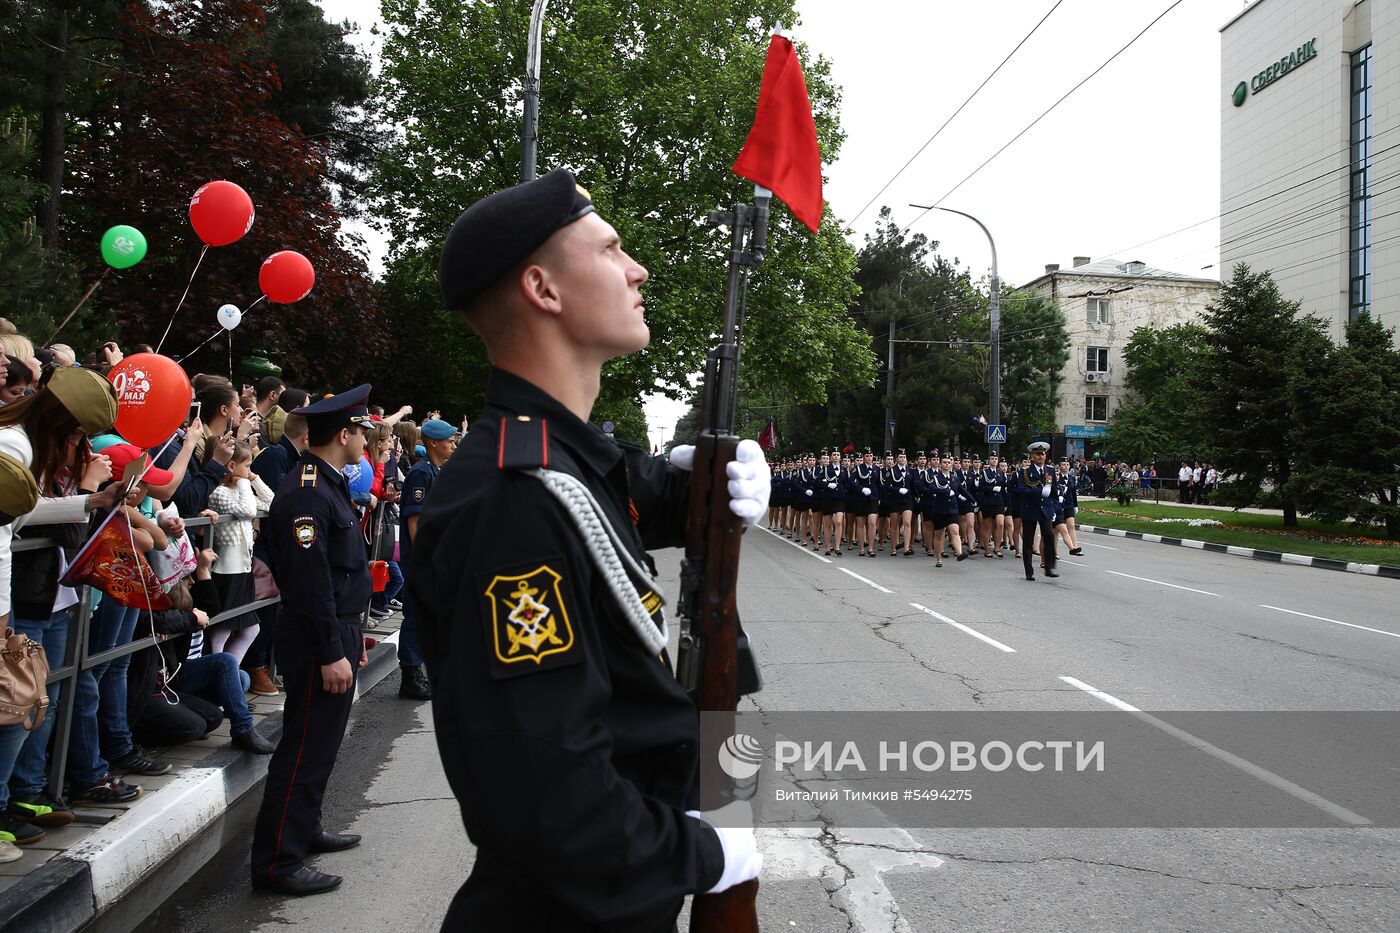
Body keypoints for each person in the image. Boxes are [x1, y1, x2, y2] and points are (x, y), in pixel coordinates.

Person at [412, 169, 767, 929]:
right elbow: (554, 800)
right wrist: (706, 858)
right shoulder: (514, 499)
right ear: (543, 289)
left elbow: (625, 495)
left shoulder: (559, 463)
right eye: (611, 249)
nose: (638, 268)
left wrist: (712, 475)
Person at [250, 386, 375, 897]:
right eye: (362, 431)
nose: (367, 439)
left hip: (334, 627)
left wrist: (350, 636)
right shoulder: (307, 490)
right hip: (315, 635)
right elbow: (307, 578)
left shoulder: (323, 482)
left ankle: (305, 829)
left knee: (320, 746)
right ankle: (279, 862)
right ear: (343, 434)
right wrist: (331, 650)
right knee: (303, 750)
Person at [395, 417, 458, 700]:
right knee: (416, 616)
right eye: (449, 441)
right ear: (433, 443)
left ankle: (424, 668)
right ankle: (410, 674)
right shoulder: (422, 473)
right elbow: (415, 521)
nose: (454, 445)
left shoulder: (436, 470)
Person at [206, 441, 275, 663]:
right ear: (231, 465)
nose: (250, 471)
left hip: (243, 568)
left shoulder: (241, 488)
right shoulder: (219, 492)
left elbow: (272, 502)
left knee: (250, 629)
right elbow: (246, 510)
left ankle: (228, 673)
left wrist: (254, 479)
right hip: (227, 569)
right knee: (223, 629)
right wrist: (246, 483)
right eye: (247, 466)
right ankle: (217, 672)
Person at [1013, 441, 1060, 581]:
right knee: (1028, 541)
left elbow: (1054, 491)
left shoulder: (1050, 470)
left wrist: (1056, 508)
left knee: (1049, 537)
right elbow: (1022, 490)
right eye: (1038, 454)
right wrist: (1040, 491)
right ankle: (1029, 571)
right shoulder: (1025, 471)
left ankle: (1049, 567)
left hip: (1046, 509)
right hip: (1030, 509)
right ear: (1032, 455)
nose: (1041, 457)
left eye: (1043, 454)